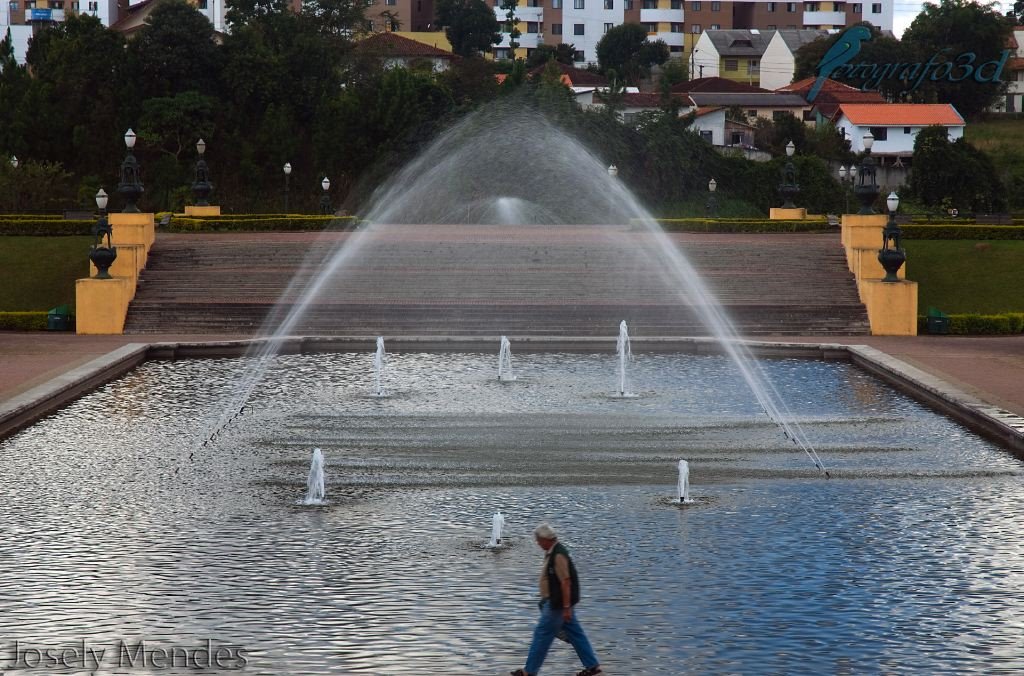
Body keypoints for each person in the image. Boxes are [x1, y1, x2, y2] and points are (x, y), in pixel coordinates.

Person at [511, 523, 602, 676]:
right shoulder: (554, 552)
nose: (538, 543)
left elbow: (566, 581)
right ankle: (593, 667)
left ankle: (529, 671)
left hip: (557, 605)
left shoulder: (558, 554)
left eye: (538, 540)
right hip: (559, 604)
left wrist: (566, 607)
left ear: (546, 539)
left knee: (542, 635)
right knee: (575, 634)